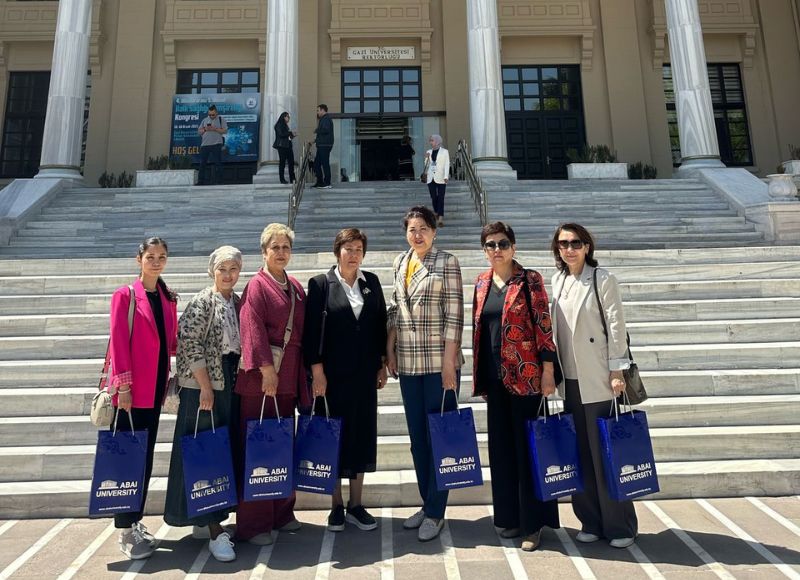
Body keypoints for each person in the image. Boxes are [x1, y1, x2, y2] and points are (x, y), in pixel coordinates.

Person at [471, 222, 560, 552]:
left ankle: (533, 525)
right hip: (495, 380)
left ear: (513, 247)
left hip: (526, 377)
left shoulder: (529, 280)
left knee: (528, 452)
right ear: (484, 250)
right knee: (502, 451)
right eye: (491, 245)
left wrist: (548, 371)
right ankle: (509, 517)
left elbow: (544, 327)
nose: (497, 250)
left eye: (503, 244)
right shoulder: (481, 282)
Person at [549, 223, 638, 549]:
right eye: (563, 244)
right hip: (570, 379)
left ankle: (620, 525)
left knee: (606, 454)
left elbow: (616, 326)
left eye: (576, 243)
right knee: (580, 454)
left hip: (598, 377)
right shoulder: (557, 281)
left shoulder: (602, 279)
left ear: (587, 246)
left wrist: (617, 370)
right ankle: (590, 520)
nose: (569, 249)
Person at [386, 205, 464, 542]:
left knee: (439, 437)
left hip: (437, 363)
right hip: (408, 363)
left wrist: (449, 363)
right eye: (412, 229)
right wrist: (389, 350)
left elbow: (455, 316)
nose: (417, 235)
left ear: (434, 231)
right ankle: (427, 501)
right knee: (418, 439)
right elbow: (394, 308)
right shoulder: (400, 262)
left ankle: (436, 511)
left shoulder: (446, 262)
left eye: (423, 229)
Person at [303, 228, 388, 532]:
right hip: (333, 377)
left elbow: (380, 324)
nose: (353, 255)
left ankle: (356, 504)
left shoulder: (371, 282)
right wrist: (317, 371)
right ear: (337, 251)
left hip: (364, 374)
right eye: (348, 249)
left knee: (361, 435)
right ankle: (336, 504)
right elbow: (311, 331)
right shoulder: (320, 285)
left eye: (358, 249)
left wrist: (382, 363)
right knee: (334, 436)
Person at [164, 246, 243, 563]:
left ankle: (203, 517)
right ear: (212, 270)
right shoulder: (203, 301)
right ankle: (213, 530)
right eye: (222, 268)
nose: (228, 274)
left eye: (233, 269)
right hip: (203, 386)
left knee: (215, 450)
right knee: (205, 453)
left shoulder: (235, 302)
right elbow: (189, 343)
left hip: (226, 381)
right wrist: (206, 387)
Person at [234, 223, 310, 545]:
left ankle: (282, 512)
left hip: (288, 377)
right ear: (264, 252)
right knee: (259, 449)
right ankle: (254, 524)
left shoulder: (295, 287)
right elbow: (251, 329)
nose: (281, 252)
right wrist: (266, 370)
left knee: (281, 445)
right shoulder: (257, 286)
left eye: (285, 247)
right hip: (261, 380)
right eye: (275, 247)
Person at [109, 237, 178, 560]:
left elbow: (171, 342)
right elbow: (118, 342)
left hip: (154, 392)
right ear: (139, 259)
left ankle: (134, 521)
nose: (156, 262)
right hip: (131, 393)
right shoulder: (125, 295)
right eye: (150, 256)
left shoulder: (166, 297)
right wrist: (123, 387)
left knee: (145, 459)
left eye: (161, 256)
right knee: (128, 460)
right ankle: (124, 530)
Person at [197, 104, 228, 186]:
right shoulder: (204, 120)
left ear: (216, 113)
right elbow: (199, 132)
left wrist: (215, 129)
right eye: (209, 114)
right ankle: (200, 181)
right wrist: (205, 129)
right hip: (205, 145)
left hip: (216, 144)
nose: (211, 116)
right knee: (202, 163)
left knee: (218, 163)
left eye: (213, 115)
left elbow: (225, 131)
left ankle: (220, 181)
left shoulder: (221, 119)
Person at [424, 135, 449, 227]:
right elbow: (427, 165)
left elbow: (447, 164)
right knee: (434, 197)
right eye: (430, 140)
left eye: (432, 140)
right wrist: (426, 158)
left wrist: (446, 176)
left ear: (438, 141)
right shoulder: (429, 151)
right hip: (431, 177)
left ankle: (440, 218)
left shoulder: (445, 152)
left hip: (441, 177)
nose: (431, 142)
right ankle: (436, 213)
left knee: (441, 198)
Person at [312, 104, 334, 189]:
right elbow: (323, 134)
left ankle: (327, 183)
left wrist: (317, 130)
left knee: (325, 164)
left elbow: (326, 130)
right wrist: (315, 141)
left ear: (322, 110)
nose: (317, 112)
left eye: (318, 110)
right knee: (316, 164)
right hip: (322, 144)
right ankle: (320, 182)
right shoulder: (323, 119)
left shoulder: (326, 119)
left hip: (325, 145)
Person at [273, 112, 296, 184]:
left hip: (288, 146)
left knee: (291, 162)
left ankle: (292, 179)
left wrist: (292, 135)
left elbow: (288, 137)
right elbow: (281, 134)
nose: (289, 118)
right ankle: (282, 179)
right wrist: (290, 133)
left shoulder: (286, 125)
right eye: (287, 117)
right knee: (282, 163)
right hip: (282, 146)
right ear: (283, 117)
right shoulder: (278, 125)